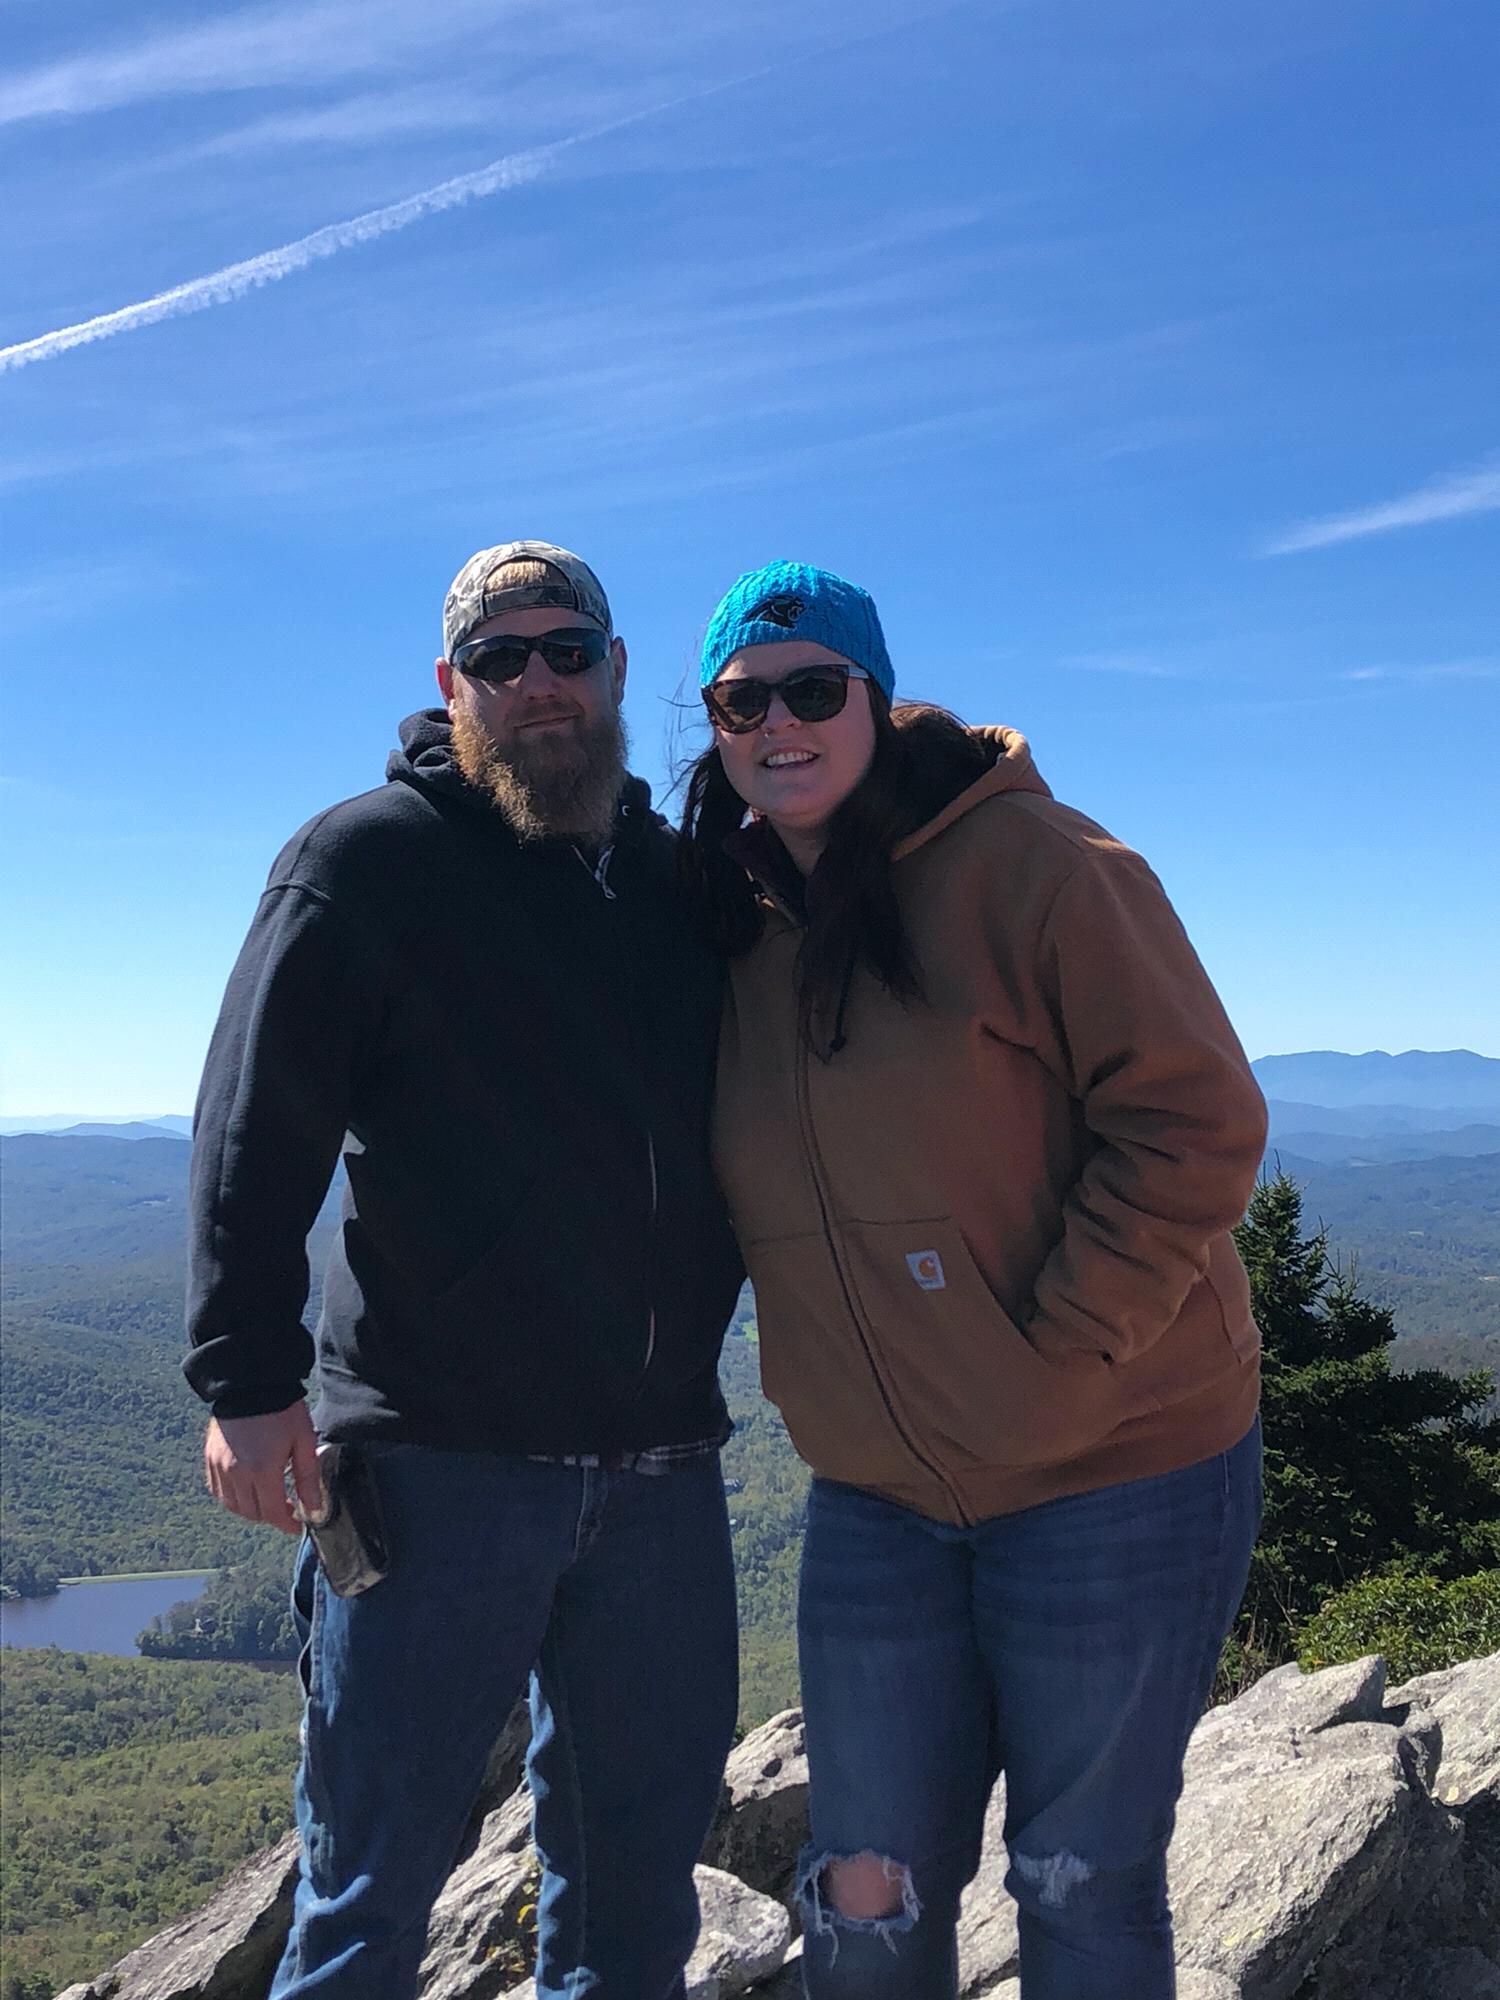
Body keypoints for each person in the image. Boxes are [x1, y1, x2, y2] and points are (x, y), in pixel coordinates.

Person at [680, 561, 1268, 2000]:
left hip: (1116, 1469)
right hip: (880, 1497)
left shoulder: (1043, 870)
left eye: (815, 689)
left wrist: (1059, 1360)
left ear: (876, 699)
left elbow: (1197, 1119)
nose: (780, 722)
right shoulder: (733, 925)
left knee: (1079, 1883)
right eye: (742, 699)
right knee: (863, 1891)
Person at [186, 540, 744, 2000]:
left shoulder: (682, 885)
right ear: (454, 688)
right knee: (371, 1884)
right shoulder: (366, 860)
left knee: (636, 1888)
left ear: (620, 673)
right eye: (504, 661)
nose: (541, 683)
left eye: (570, 651)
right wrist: (245, 1386)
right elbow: (256, 1127)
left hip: (665, 1465)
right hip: (437, 1464)